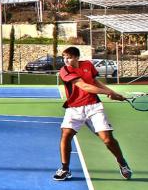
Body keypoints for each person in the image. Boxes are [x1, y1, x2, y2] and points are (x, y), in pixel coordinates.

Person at [53, 47, 131, 181]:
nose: (66, 60)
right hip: (74, 109)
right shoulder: (64, 70)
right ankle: (65, 169)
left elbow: (95, 82)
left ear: (77, 57)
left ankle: (122, 163)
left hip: (94, 107)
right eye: (64, 57)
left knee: (107, 139)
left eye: (69, 57)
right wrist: (108, 93)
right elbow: (84, 86)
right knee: (66, 135)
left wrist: (113, 93)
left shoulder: (88, 65)